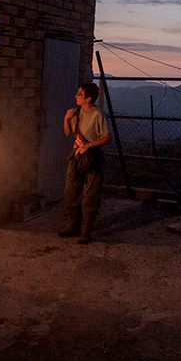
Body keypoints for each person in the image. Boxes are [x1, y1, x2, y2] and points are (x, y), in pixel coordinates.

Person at [59, 82, 111, 244]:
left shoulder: (97, 114)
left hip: (92, 158)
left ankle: (86, 231)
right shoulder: (76, 113)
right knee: (70, 191)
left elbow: (106, 137)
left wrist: (88, 145)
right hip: (76, 157)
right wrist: (66, 118)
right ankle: (74, 226)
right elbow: (68, 133)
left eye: (79, 94)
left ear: (88, 98)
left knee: (91, 195)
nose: (76, 96)